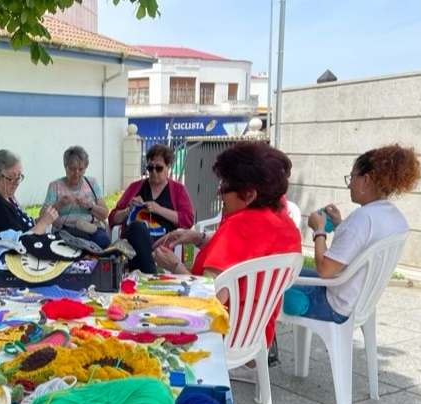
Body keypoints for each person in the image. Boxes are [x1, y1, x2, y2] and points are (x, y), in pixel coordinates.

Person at [153, 141, 302, 383]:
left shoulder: (237, 228)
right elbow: (244, 259)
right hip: (255, 336)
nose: (218, 192)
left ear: (250, 194)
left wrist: (174, 266)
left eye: (225, 186)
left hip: (216, 336)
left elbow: (207, 299)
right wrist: (199, 238)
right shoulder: (287, 229)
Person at [287, 144, 421, 322]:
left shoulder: (362, 218)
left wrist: (319, 231)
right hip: (358, 302)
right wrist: (339, 224)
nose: (349, 185)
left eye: (352, 177)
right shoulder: (395, 218)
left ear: (366, 180)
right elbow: (362, 243)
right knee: (288, 272)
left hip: (333, 305)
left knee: (269, 285)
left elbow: (325, 270)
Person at [108, 144, 194, 273]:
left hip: (161, 240)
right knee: (137, 228)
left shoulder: (177, 189)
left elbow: (188, 220)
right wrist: (128, 210)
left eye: (158, 168)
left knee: (136, 249)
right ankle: (153, 276)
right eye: (150, 168)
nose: (153, 172)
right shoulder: (135, 187)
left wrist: (159, 209)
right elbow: (112, 218)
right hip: (133, 236)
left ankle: (138, 279)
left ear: (168, 168)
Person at [0, 149, 58, 234]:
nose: (17, 182)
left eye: (19, 176)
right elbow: (19, 242)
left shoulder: (6, 196)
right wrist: (43, 223)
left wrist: (44, 219)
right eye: (12, 177)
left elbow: (25, 226)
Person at [42, 145, 110, 248]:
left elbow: (105, 214)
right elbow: (42, 215)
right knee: (63, 247)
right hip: (65, 231)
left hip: (91, 229)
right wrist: (60, 204)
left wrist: (90, 206)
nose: (77, 173)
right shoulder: (55, 186)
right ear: (66, 167)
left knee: (103, 242)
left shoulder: (92, 183)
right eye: (72, 169)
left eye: (81, 169)